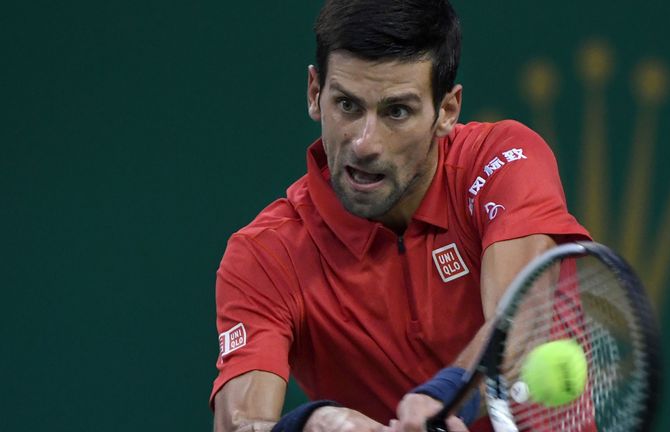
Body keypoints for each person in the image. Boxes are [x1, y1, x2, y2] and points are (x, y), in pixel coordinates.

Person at [211, 1, 590, 431]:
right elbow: (241, 425)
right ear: (315, 93)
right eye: (348, 106)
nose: (364, 144)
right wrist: (310, 424)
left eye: (397, 111)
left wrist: (444, 396)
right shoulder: (265, 256)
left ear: (447, 110)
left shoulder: (501, 160)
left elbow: (523, 316)